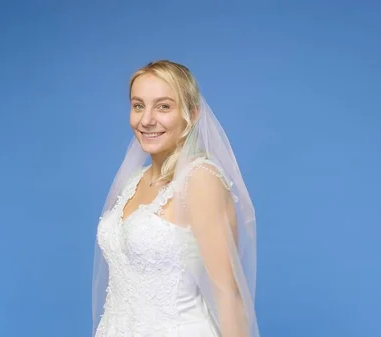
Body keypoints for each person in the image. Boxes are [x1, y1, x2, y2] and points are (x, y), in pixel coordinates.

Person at [92, 60, 259, 337]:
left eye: (164, 106)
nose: (147, 120)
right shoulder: (134, 181)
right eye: (138, 106)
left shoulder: (200, 180)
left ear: (191, 115)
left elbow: (228, 295)